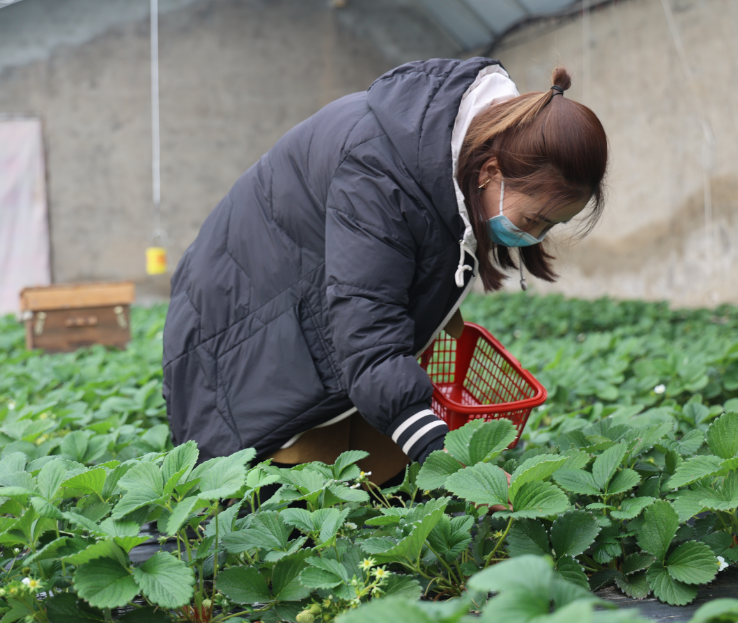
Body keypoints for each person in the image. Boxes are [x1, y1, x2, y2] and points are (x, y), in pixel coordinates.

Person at [162, 58, 608, 486]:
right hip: (240, 312)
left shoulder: (456, 146)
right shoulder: (381, 173)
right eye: (535, 220)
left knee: (370, 473)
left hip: (296, 298)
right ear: (492, 172)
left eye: (553, 225)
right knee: (275, 489)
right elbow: (368, 327)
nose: (536, 235)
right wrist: (446, 457)